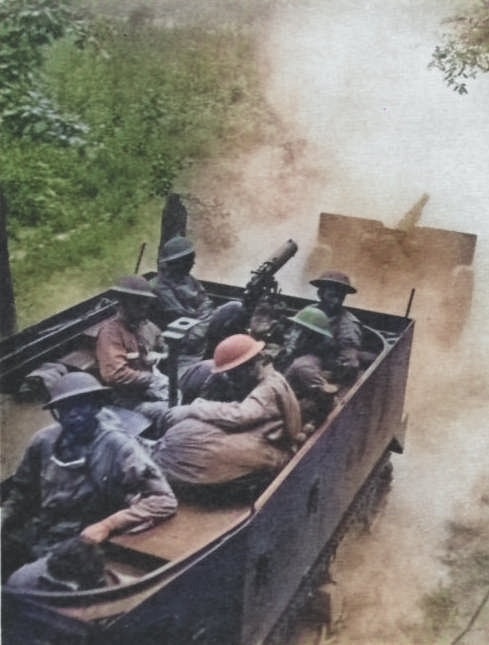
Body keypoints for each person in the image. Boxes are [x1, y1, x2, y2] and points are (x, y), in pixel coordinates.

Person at [1, 372, 177, 581]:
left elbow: (163, 500)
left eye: (82, 404)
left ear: (96, 406)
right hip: (42, 531)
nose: (75, 413)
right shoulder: (44, 442)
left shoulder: (117, 446)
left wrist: (107, 526)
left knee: (22, 582)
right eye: (67, 408)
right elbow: (22, 493)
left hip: (83, 546)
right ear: (57, 413)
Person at [150, 334, 302, 501]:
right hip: (269, 442)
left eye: (233, 374)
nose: (232, 379)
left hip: (276, 453)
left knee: (191, 449)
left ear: (249, 366)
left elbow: (240, 415)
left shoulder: (269, 387)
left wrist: (193, 409)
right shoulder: (269, 380)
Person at [96, 275, 171, 433]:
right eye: (137, 302)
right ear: (122, 302)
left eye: (145, 301)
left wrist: (162, 355)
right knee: (169, 411)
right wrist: (150, 379)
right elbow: (115, 374)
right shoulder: (111, 333)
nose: (143, 306)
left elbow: (164, 346)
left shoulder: (146, 326)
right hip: (126, 401)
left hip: (148, 391)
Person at [152, 236, 216, 372]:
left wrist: (201, 323)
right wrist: (202, 318)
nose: (193, 263)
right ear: (178, 262)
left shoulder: (188, 279)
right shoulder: (160, 288)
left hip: (200, 333)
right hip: (184, 348)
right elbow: (182, 316)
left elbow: (206, 302)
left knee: (233, 308)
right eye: (189, 259)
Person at [278, 306, 339, 429]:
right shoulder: (298, 356)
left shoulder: (304, 366)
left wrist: (312, 422)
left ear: (307, 337)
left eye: (296, 330)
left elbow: (330, 401)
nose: (289, 335)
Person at [309, 270, 363, 385]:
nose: (336, 301)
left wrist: (331, 376)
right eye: (331, 296)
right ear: (320, 294)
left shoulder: (347, 324)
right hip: (306, 359)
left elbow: (350, 362)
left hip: (325, 370)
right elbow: (292, 338)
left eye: (340, 297)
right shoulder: (309, 312)